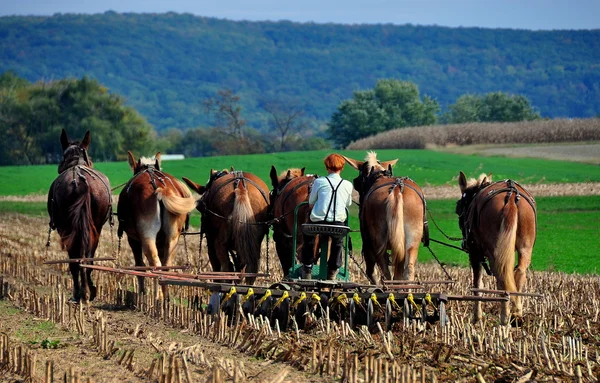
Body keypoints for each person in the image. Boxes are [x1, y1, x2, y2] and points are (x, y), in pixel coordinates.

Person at [301, 153, 354, 279]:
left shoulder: (319, 182)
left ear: (327, 167)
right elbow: (348, 203)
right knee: (338, 241)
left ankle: (307, 267)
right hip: (338, 224)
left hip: (318, 222)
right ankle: (332, 270)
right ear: (342, 168)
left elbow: (311, 201)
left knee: (309, 239)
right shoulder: (347, 185)